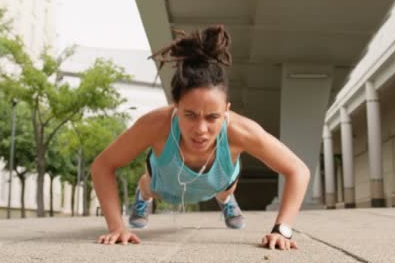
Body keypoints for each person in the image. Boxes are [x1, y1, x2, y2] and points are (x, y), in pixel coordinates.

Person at [90, 25, 311, 250]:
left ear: (226, 110)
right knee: (150, 186)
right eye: (190, 115)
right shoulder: (156, 125)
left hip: (218, 181)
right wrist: (116, 227)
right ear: (176, 107)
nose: (201, 129)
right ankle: (143, 195)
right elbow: (102, 165)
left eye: (213, 117)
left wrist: (282, 229)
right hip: (165, 182)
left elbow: (298, 170)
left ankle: (226, 200)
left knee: (225, 186)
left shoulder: (241, 130)